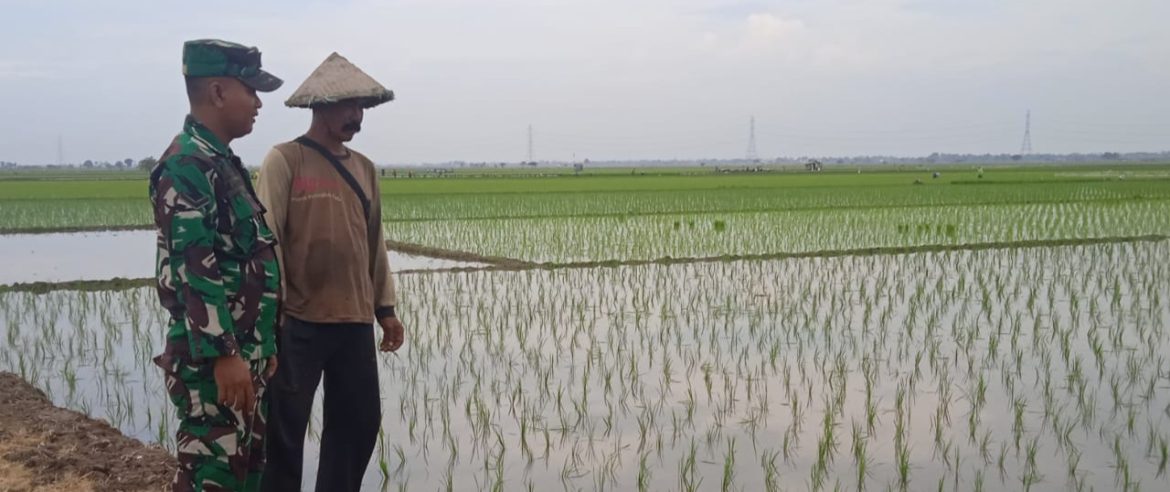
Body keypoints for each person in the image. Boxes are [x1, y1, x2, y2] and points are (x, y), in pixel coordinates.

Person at [257, 52, 405, 492]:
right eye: (347, 106)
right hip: (298, 320)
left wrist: (386, 309)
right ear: (320, 106)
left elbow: (373, 242)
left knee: (359, 421)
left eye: (360, 108)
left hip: (354, 320)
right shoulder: (286, 160)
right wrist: (272, 317)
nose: (356, 117)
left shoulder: (364, 169)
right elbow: (268, 239)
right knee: (284, 429)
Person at [149, 39, 283, 491]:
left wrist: (264, 346)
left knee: (246, 477)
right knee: (213, 478)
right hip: (216, 365)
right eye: (251, 90)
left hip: (246, 356)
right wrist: (224, 355)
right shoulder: (187, 163)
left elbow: (245, 258)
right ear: (219, 92)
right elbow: (194, 266)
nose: (259, 103)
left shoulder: (221, 162)